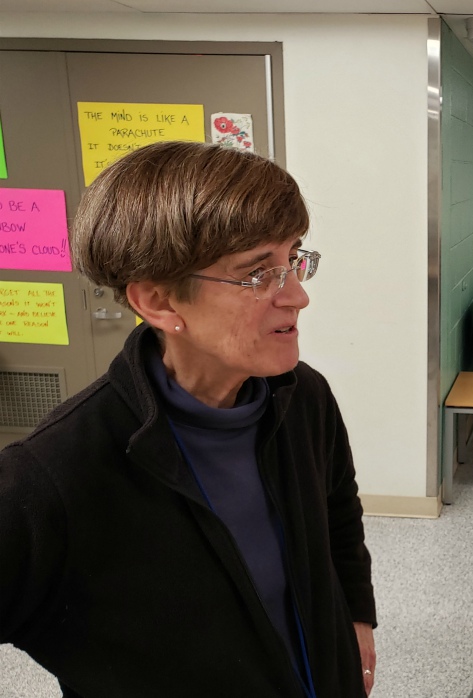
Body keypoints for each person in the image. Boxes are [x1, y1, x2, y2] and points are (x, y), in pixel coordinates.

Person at [0, 141, 377, 697]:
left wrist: (356, 619)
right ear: (159, 303)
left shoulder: (302, 397)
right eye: (256, 274)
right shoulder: (54, 474)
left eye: (293, 258)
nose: (297, 296)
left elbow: (337, 514)